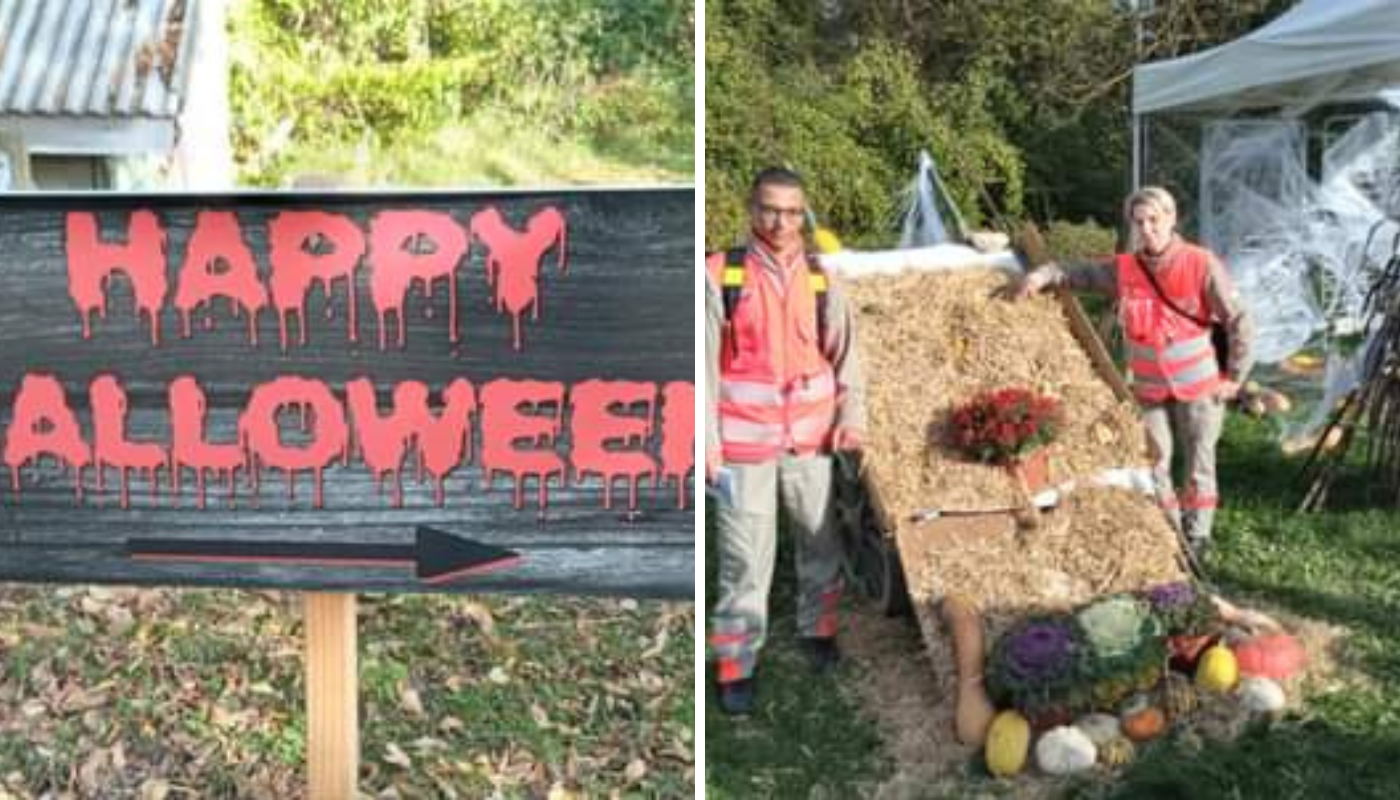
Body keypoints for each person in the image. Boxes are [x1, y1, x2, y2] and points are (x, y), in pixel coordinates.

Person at [1013, 186, 1255, 560]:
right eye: (1139, 222)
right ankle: (1169, 533)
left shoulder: (1200, 262)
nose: (1147, 229)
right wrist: (1043, 274)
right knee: (1154, 460)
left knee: (1199, 463)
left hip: (1199, 385)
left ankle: (1198, 536)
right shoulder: (1126, 268)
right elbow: (1080, 272)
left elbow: (1239, 320)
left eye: (1154, 220)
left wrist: (1234, 378)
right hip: (1149, 388)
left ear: (1171, 219)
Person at [705, 167, 866, 715]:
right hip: (741, 446)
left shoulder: (822, 277)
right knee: (744, 560)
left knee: (821, 543)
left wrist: (853, 416)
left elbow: (847, 354)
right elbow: (700, 365)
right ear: (752, 211)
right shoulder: (720, 273)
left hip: (811, 440)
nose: (781, 221)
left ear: (804, 215)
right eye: (771, 209)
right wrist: (704, 443)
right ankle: (734, 663)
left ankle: (817, 632)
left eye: (792, 211)